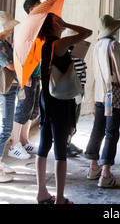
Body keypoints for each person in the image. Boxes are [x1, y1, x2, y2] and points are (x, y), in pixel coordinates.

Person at [36, 13, 92, 204]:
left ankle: (42, 193)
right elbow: (87, 32)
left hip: (46, 98)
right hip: (60, 101)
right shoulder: (59, 44)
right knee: (60, 149)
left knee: (43, 146)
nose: (61, 21)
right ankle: (60, 199)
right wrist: (67, 24)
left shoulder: (45, 45)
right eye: (58, 20)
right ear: (53, 24)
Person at [85, 15, 120, 188]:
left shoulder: (97, 45)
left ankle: (93, 167)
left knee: (97, 129)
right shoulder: (114, 44)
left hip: (100, 93)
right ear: (113, 29)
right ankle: (106, 174)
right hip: (113, 91)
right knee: (111, 132)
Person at [9, 0, 41, 159]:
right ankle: (14, 145)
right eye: (39, 5)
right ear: (31, 9)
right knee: (22, 109)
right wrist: (23, 74)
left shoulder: (36, 27)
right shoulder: (27, 26)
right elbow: (19, 51)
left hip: (35, 74)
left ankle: (24, 140)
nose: (42, 7)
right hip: (26, 76)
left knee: (32, 109)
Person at [0, 12, 19, 183]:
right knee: (5, 128)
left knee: (6, 127)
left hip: (10, 87)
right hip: (3, 89)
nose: (12, 28)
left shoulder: (5, 43)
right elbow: (12, 66)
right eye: (8, 26)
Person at [63, 29, 89, 157]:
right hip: (69, 90)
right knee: (68, 119)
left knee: (75, 117)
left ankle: (69, 142)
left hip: (79, 89)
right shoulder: (63, 54)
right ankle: (64, 145)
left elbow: (82, 71)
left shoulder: (79, 54)